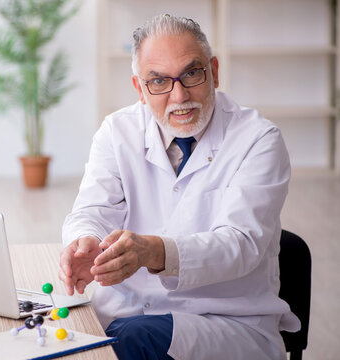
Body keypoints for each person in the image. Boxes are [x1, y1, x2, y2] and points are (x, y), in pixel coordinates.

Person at [59, 14, 301, 360]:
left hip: (224, 321)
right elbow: (92, 210)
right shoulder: (117, 132)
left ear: (214, 71)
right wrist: (84, 241)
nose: (179, 95)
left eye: (191, 73)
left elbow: (241, 244)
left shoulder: (258, 140)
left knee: (128, 342)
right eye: (158, 81)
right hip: (125, 314)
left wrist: (154, 251)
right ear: (139, 89)